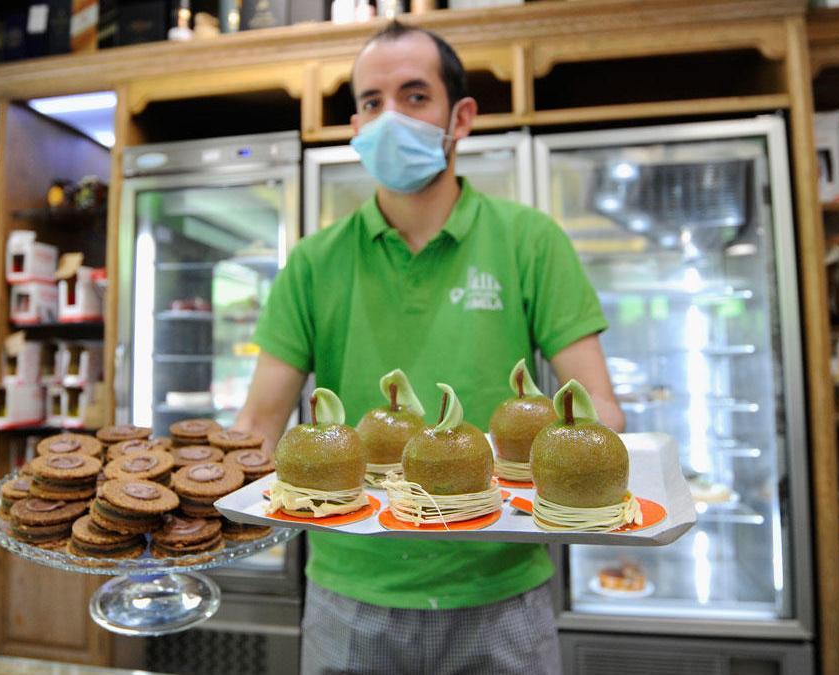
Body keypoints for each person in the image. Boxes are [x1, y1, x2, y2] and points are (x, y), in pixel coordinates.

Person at [233, 20, 624, 675]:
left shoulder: (530, 242)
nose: (390, 118)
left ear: (460, 117)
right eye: (371, 102)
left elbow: (600, 409)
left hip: (500, 590)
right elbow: (256, 429)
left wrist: (591, 471)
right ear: (355, 126)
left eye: (415, 97)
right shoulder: (313, 262)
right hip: (350, 591)